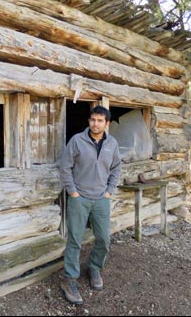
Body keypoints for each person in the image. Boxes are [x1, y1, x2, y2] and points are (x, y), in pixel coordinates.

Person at [59, 105, 121, 304]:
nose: (96, 124)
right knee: (75, 240)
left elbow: (116, 168)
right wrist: (73, 192)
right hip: (80, 198)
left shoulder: (112, 143)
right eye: (93, 120)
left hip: (101, 199)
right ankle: (69, 279)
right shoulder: (77, 140)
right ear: (89, 121)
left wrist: (109, 191)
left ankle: (94, 268)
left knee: (104, 239)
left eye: (100, 120)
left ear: (107, 123)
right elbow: (65, 167)